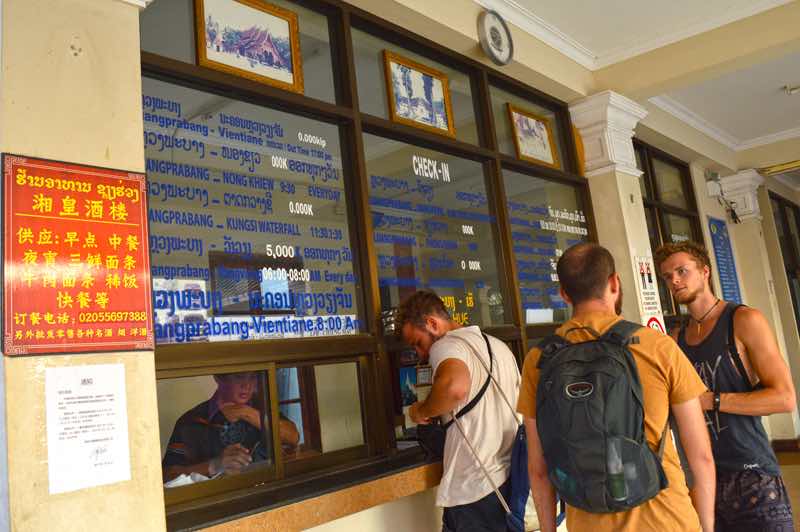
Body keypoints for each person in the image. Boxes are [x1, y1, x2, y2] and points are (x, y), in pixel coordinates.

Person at [518, 243, 716, 531]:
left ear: (564, 295)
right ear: (614, 283)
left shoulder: (538, 360)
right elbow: (701, 457)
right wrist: (706, 526)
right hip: (666, 519)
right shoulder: (657, 346)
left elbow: (538, 469)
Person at [655, 241, 796, 531]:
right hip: (702, 480)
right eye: (668, 277)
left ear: (705, 271)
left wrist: (712, 400)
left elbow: (784, 398)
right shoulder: (675, 339)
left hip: (753, 475)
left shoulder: (743, 320)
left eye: (682, 271)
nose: (675, 281)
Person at [397, 290, 520, 532]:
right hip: (510, 481)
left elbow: (454, 387)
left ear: (433, 323)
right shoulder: (498, 346)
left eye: (418, 343)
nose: (421, 354)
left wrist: (420, 410)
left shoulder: (446, 345)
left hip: (475, 491)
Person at [162, 371, 300, 482]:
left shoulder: (260, 411)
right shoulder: (192, 421)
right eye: (239, 377)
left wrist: (247, 413)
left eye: (252, 377)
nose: (247, 385)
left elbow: (293, 437)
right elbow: (167, 475)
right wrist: (214, 465)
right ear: (218, 377)